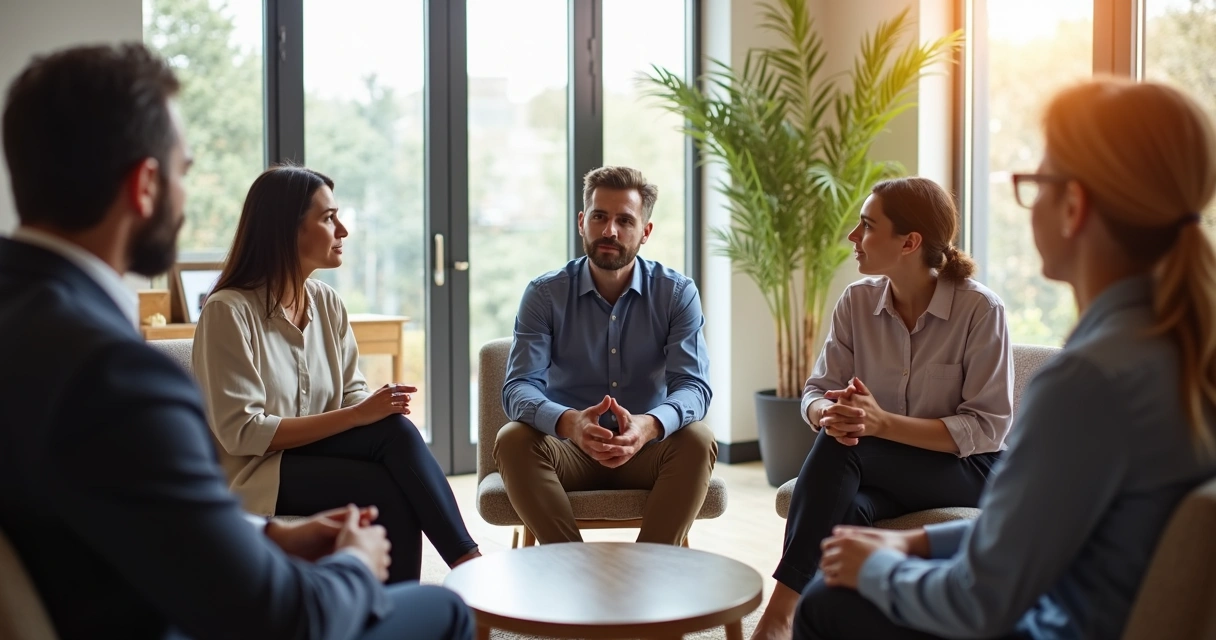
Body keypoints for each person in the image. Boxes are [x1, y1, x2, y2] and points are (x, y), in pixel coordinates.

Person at [0, 43, 471, 639]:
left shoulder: (30, 324)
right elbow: (275, 613)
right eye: (185, 172)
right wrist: (353, 566)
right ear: (146, 185)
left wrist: (269, 534)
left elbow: (130, 507)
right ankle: (446, 582)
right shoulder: (116, 374)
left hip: (125, 585)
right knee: (448, 611)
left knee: (391, 456)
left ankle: (452, 565)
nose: (186, 197)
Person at [793, 79, 1216, 640]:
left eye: (1034, 182)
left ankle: (787, 608)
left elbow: (978, 601)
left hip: (1054, 623)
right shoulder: (1180, 349)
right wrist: (917, 542)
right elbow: (1036, 531)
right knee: (848, 492)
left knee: (830, 600)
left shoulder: (1086, 381)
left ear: (1073, 206)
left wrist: (879, 569)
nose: (1030, 201)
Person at [751, 176, 1013, 640]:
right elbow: (816, 390)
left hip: (969, 469)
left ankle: (780, 614)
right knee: (848, 505)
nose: (853, 237)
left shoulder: (980, 310)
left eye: (867, 225)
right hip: (883, 468)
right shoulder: (856, 302)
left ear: (910, 242)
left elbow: (986, 428)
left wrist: (881, 423)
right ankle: (832, 622)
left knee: (847, 446)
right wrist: (824, 413)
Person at [192, 165, 480, 584]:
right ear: (285, 230)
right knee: (385, 486)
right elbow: (244, 433)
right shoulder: (229, 312)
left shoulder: (327, 303)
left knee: (395, 436)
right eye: (328, 218)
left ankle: (438, 581)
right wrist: (358, 416)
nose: (342, 230)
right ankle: (462, 569)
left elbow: (352, 394)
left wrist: (373, 407)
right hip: (258, 474)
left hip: (316, 453)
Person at [496, 165, 716, 545]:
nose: (609, 231)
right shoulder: (544, 294)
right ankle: (569, 567)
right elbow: (518, 388)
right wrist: (570, 423)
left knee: (698, 440)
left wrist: (647, 426)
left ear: (645, 232)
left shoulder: (677, 293)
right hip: (567, 451)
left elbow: (694, 387)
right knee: (512, 439)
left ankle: (650, 571)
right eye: (599, 217)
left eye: (625, 220)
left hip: (647, 451)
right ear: (582, 222)